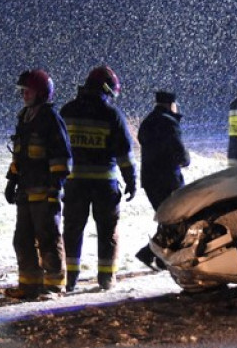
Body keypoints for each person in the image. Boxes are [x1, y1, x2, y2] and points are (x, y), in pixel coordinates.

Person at [60, 65, 137, 291]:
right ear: (107, 89)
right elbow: (125, 153)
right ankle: (106, 279)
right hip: (105, 185)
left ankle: (70, 279)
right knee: (107, 232)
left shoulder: (68, 111)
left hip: (74, 184)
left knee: (72, 230)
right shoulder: (112, 115)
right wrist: (131, 180)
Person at [3, 69, 72, 300]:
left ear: (41, 92)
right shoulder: (24, 117)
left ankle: (54, 286)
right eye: (22, 91)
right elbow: (20, 154)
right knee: (22, 240)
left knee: (49, 239)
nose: (24, 95)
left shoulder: (51, 119)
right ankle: (29, 285)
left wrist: (55, 189)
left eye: (28, 91)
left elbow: (61, 158)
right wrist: (11, 180)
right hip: (25, 191)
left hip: (44, 192)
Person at [135, 90, 190, 269]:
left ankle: (158, 257)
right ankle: (151, 254)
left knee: (166, 219)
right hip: (168, 179)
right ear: (170, 104)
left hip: (150, 180)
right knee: (176, 220)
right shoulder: (169, 122)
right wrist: (185, 160)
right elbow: (179, 152)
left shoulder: (148, 122)